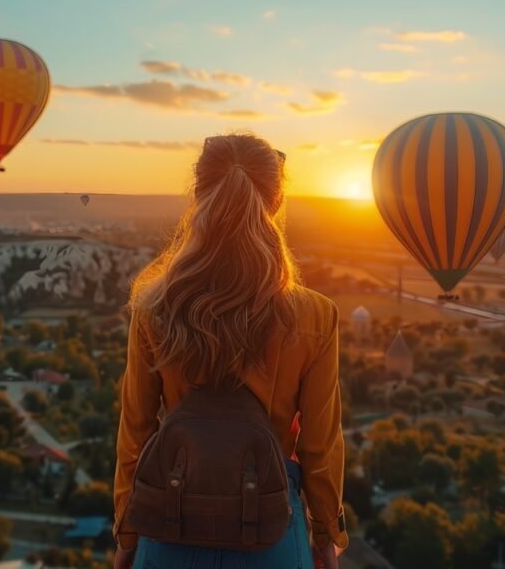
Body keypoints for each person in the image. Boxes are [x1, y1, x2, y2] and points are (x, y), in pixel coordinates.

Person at [113, 134, 347, 569]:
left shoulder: (153, 308)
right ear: (276, 202)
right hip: (273, 527)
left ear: (198, 197)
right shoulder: (314, 316)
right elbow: (320, 447)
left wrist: (127, 536)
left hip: (169, 523)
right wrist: (326, 537)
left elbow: (136, 433)